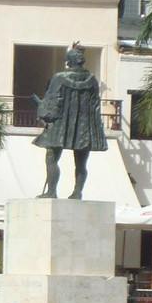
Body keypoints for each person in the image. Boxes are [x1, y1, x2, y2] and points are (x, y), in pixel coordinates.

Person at [33, 46, 107, 199]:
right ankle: (77, 192)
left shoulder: (59, 78)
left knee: (51, 158)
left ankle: (51, 191)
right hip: (83, 127)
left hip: (60, 126)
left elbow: (51, 101)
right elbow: (95, 105)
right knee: (81, 163)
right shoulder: (92, 79)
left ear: (69, 62)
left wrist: (43, 113)